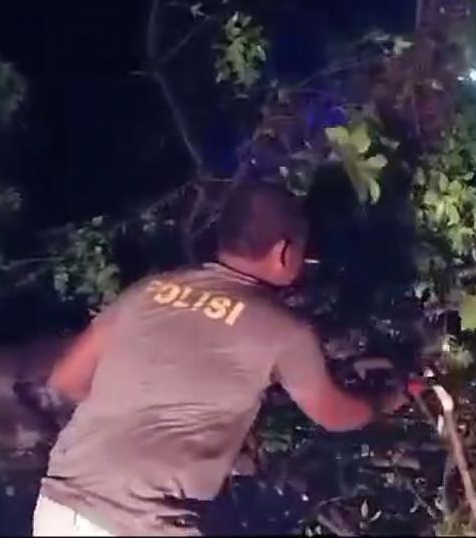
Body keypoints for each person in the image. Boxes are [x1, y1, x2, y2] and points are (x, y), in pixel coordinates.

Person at [31, 181, 416, 536]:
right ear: (283, 252)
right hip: (138, 522)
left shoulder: (148, 291)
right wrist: (388, 399)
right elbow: (334, 414)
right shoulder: (282, 329)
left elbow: (66, 381)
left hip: (57, 509)